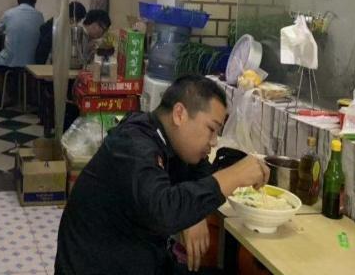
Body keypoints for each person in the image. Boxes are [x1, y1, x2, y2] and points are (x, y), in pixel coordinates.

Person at [55, 75, 269, 275]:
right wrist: (233, 176)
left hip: (138, 259)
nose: (214, 142)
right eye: (211, 129)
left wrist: (193, 214)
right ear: (179, 114)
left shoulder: (169, 139)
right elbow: (163, 211)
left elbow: (200, 173)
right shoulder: (133, 144)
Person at [0, 0, 44, 104]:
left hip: (11, 60)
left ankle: (6, 96)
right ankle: (32, 97)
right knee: (28, 71)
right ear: (33, 4)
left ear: (19, 2)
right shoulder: (39, 15)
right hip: (33, 62)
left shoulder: (9, 13)